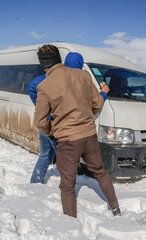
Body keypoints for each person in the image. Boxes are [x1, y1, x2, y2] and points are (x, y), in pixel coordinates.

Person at [34, 44, 120, 218]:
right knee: (100, 171)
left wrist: (53, 130)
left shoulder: (44, 86)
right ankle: (115, 207)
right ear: (59, 59)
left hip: (67, 141)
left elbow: (40, 122)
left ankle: (71, 225)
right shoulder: (83, 75)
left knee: (67, 185)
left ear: (43, 65)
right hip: (89, 136)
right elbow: (97, 103)